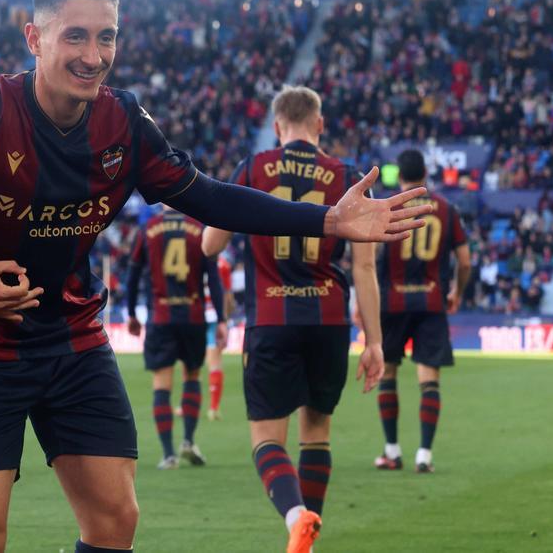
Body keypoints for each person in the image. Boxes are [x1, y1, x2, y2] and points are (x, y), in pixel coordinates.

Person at [0, 0, 430, 553]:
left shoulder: (124, 121)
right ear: (34, 38)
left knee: (116, 520)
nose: (94, 55)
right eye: (75, 36)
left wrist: (327, 219)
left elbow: (207, 196)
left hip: (74, 340)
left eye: (107, 36)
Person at [203, 85, 385, 553]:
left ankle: (295, 515)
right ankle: (311, 536)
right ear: (319, 125)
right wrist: (376, 344)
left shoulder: (254, 167)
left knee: (267, 439)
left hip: (271, 315)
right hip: (328, 318)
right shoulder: (346, 176)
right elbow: (364, 269)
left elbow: (209, 246)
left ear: (278, 126)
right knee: (317, 433)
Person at [372, 149, 471, 473]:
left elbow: (371, 257)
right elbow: (466, 260)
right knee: (429, 379)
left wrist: (365, 302)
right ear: (425, 175)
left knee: (388, 373)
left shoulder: (387, 207)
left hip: (391, 302)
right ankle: (424, 455)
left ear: (399, 176)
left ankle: (392, 450)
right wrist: (457, 290)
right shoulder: (446, 209)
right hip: (431, 302)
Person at [125, 205, 226, 469]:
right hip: (193, 316)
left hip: (161, 317)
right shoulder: (199, 228)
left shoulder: (147, 229)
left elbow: (133, 275)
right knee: (192, 376)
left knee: (162, 383)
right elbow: (213, 277)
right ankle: (188, 441)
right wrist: (223, 319)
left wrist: (131, 312)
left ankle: (169, 454)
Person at [205, 254, 234, 420]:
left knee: (190, 363)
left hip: (194, 315)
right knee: (215, 363)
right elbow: (227, 295)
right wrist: (226, 319)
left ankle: (186, 405)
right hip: (215, 317)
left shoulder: (192, 255)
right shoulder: (223, 264)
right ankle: (213, 407)